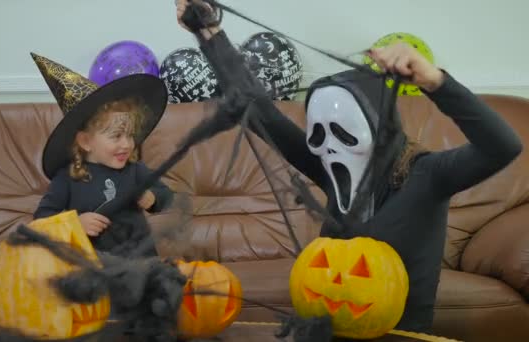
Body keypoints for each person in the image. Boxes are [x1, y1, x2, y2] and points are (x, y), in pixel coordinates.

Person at [175, 0, 523, 333]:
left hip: (401, 336)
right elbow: (257, 109)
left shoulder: (427, 175)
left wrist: (435, 82)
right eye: (319, 133)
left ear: (380, 131)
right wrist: (210, 34)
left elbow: (503, 146)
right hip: (330, 330)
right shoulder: (326, 167)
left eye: (344, 133)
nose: (328, 147)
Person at [31, 52, 173, 258]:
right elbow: (41, 219)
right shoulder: (67, 178)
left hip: (140, 265)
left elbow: (167, 196)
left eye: (130, 135)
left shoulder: (135, 171)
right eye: (116, 136)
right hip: (93, 269)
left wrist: (153, 198)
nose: (127, 144)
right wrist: (75, 224)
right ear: (86, 141)